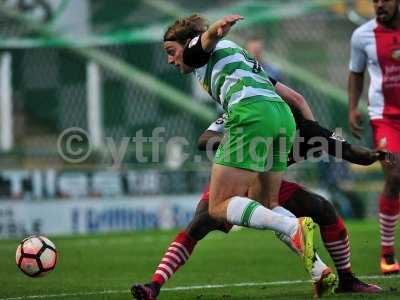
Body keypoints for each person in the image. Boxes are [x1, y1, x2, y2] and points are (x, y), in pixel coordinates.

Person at [131, 78, 389, 300]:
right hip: (233, 179)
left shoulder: (308, 130)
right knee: (197, 226)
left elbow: (350, 151)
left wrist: (378, 156)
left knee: (322, 208)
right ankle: (154, 285)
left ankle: (345, 279)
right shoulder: (245, 112)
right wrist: (238, 142)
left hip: (269, 185)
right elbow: (204, 140)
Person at [161, 13, 317, 284]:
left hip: (252, 115)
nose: (170, 59)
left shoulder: (199, 51)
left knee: (217, 206)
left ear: (187, 43)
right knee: (268, 203)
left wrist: (216, 30)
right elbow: (297, 98)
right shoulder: (240, 57)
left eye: (171, 52)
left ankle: (293, 226)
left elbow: (201, 45)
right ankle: (319, 269)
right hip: (282, 117)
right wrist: (314, 130)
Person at [348, 0, 400, 274]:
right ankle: (387, 254)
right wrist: (352, 107)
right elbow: (355, 73)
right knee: (394, 175)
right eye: (375, 0)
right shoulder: (363, 35)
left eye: (385, 0)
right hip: (384, 118)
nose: (379, 5)